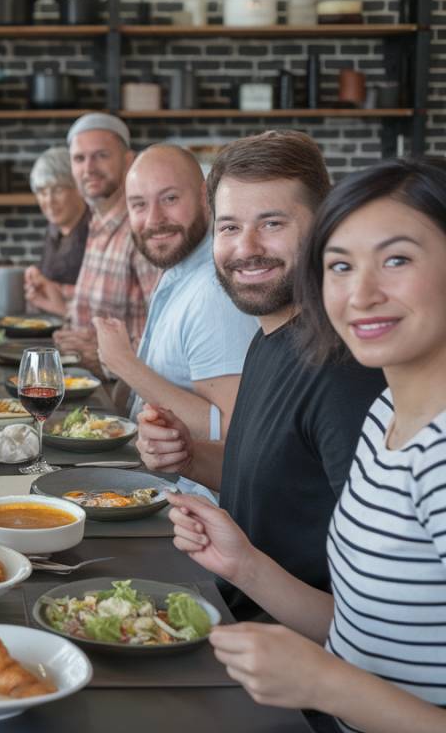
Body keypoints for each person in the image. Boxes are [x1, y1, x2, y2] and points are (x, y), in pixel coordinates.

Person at [167, 156, 446, 733]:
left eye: (396, 259)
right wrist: (243, 564)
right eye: (341, 265)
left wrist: (324, 682)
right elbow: (358, 629)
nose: (361, 293)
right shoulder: (389, 416)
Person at [136, 131, 386, 619]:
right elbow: (281, 483)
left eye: (272, 223)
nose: (246, 249)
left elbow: (377, 622)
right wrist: (188, 459)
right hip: (229, 606)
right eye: (229, 227)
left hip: (288, 661)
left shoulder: (346, 374)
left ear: (324, 227)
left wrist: (245, 571)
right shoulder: (270, 335)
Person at [94, 144, 257, 441]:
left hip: (183, 486)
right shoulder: (179, 272)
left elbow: (230, 429)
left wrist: (124, 364)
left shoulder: (215, 292)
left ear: (205, 196)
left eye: (169, 198)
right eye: (139, 205)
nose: (154, 219)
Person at [25, 113, 160, 373]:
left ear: (128, 160)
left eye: (101, 155)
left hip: (129, 398)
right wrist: (62, 304)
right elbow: (109, 309)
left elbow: (165, 341)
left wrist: (104, 355)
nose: (89, 168)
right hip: (87, 380)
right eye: (79, 158)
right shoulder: (95, 223)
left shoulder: (143, 231)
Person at [23, 145, 90, 289]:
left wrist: (49, 287)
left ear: (78, 188)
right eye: (42, 192)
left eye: (58, 190)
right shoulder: (53, 229)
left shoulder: (95, 231)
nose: (49, 201)